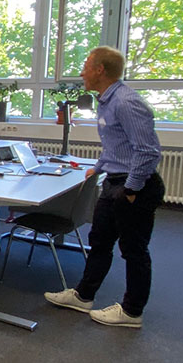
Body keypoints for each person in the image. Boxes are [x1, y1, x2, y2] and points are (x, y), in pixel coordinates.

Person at [44, 46, 164, 329]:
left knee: (134, 251)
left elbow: (148, 151)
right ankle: (84, 296)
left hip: (135, 186)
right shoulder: (106, 102)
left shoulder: (125, 102)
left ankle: (132, 312)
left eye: (86, 65)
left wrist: (131, 189)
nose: (82, 71)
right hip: (114, 182)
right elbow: (116, 146)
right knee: (99, 241)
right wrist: (96, 169)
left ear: (100, 70)